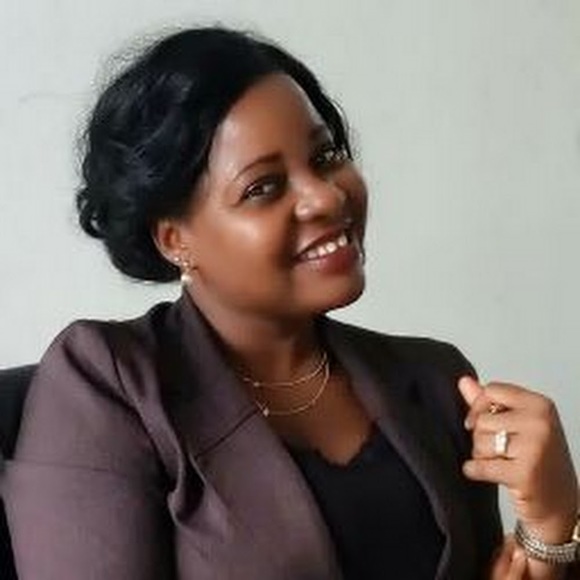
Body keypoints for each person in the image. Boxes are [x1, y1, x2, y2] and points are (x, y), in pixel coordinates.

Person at [1, 27, 578, 580]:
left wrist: (551, 527)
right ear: (175, 239)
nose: (325, 197)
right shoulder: (107, 385)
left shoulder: (436, 382)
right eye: (263, 187)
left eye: (325, 157)